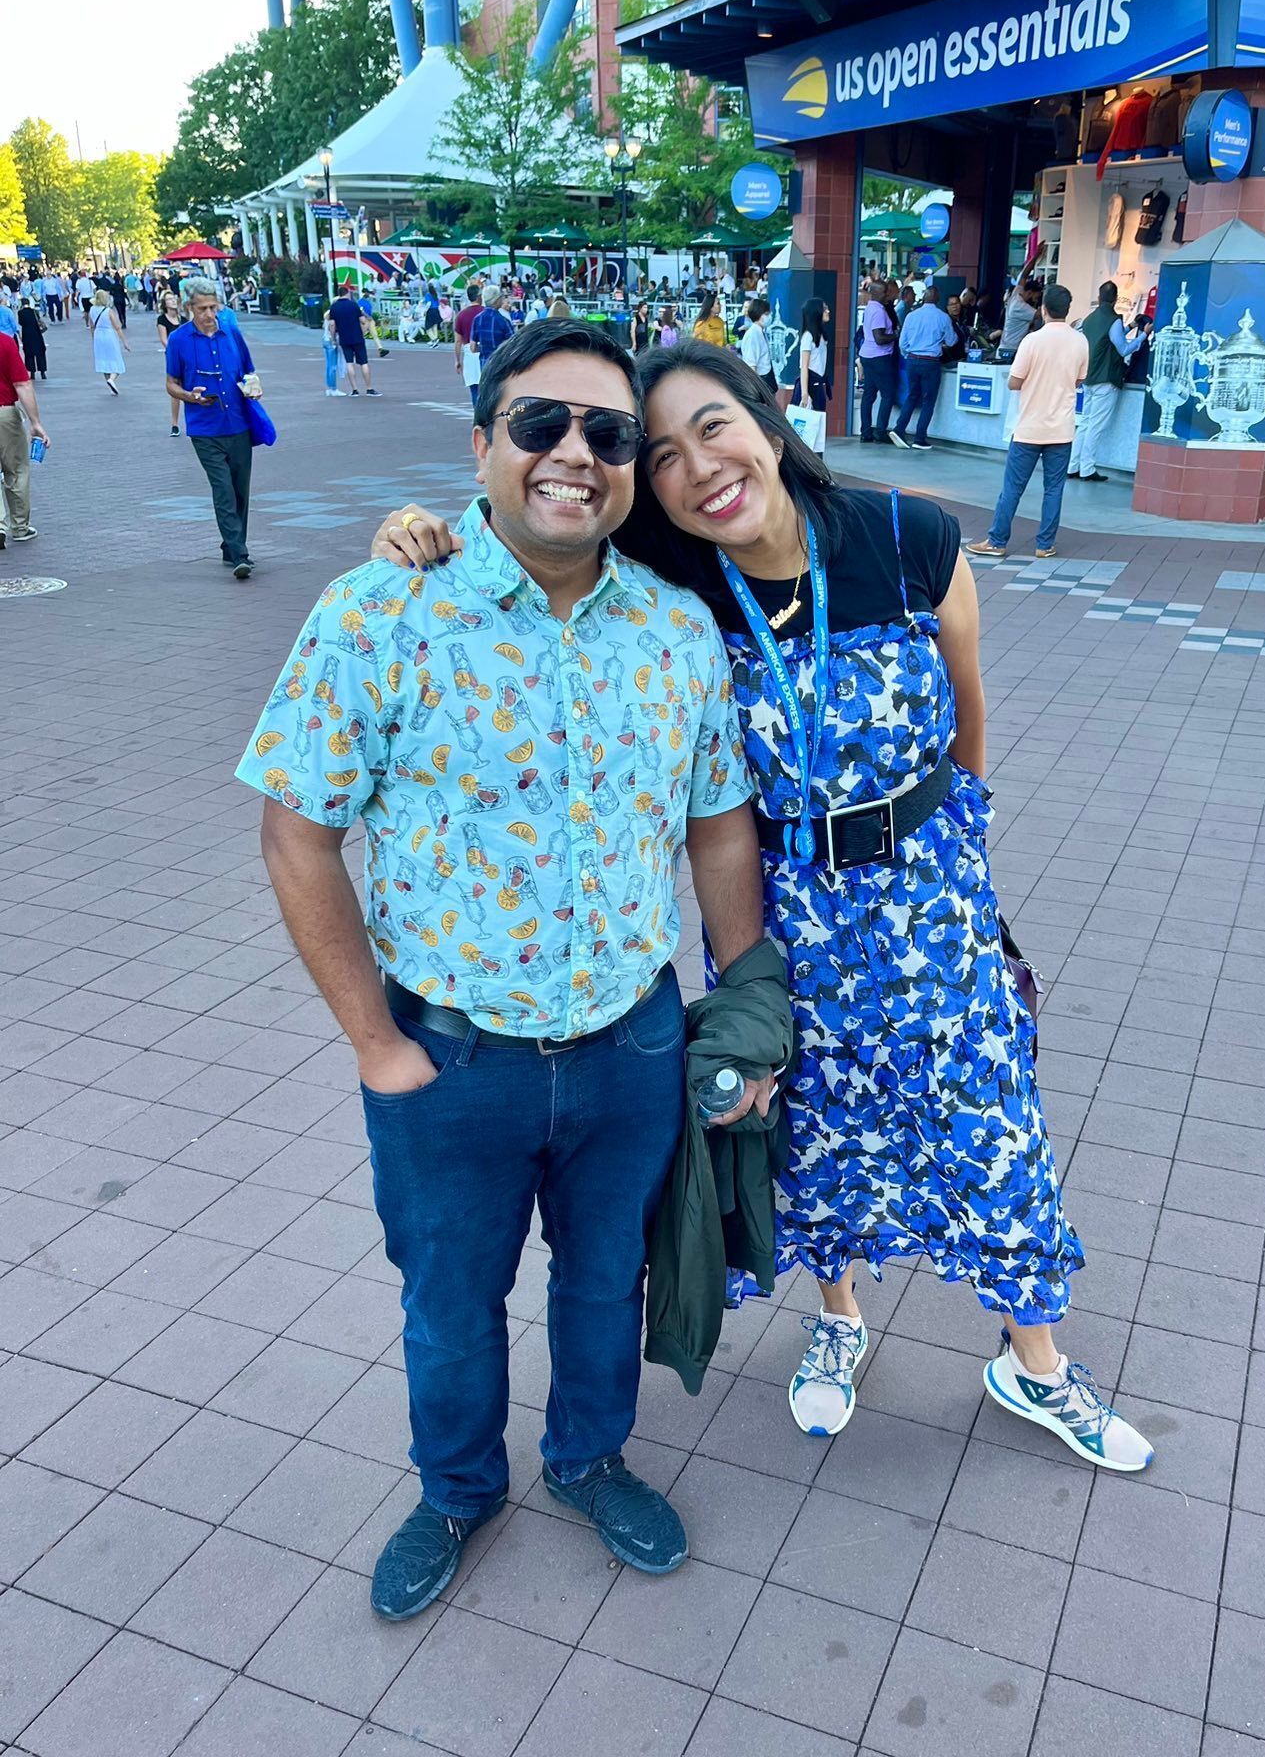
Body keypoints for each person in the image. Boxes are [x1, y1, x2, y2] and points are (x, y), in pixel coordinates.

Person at [377, 338, 1154, 1474]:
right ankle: (837, 1320)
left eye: (714, 428)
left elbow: (968, 722)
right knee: (809, 1132)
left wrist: (954, 861)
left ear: (769, 416)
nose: (698, 467)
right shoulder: (676, 573)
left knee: (992, 1133)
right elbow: (538, 512)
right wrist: (425, 528)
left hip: (932, 908)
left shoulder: (908, 537)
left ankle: (1034, 1362)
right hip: (786, 917)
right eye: (664, 454)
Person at [242, 316, 767, 1620]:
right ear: (483, 445)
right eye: (541, 423)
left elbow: (714, 829)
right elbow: (296, 833)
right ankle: (458, 1487)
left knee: (607, 1285)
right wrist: (377, 1044)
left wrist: (745, 1011)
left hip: (630, 1047)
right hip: (452, 1057)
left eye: (606, 435)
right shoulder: (380, 612)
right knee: (450, 1302)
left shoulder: (675, 632)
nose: (573, 454)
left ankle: (589, 1458)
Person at [968, 283, 1088, 563]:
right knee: (1054, 488)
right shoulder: (1080, 341)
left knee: (1012, 488)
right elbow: (1079, 380)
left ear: (1044, 309)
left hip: (1029, 429)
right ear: (1067, 310)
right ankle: (1045, 544)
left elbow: (1014, 382)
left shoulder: (1032, 341)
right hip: (1062, 428)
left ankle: (997, 541)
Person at [164, 276, 261, 580]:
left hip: (239, 423)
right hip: (205, 429)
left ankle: (230, 545)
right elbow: (171, 384)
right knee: (222, 490)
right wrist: (189, 396)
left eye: (213, 307)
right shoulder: (179, 340)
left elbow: (249, 371)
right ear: (189, 308)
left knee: (240, 490)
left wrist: (254, 388)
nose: (209, 314)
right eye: (202, 308)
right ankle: (240, 554)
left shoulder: (230, 332)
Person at [1070, 280, 1145, 482]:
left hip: (1089, 377)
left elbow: (1107, 339)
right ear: (1115, 299)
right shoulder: (1113, 320)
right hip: (1106, 379)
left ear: (1100, 297)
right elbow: (1123, 349)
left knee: (1085, 423)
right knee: (1095, 425)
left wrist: (1130, 326)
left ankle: (1072, 466)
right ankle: (1087, 468)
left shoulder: (1089, 319)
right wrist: (1143, 336)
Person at [0, 328, 49, 550]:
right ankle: (19, 526)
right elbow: (22, 384)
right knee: (16, 469)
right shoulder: (5, 343)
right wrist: (35, 422)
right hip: (4, 414)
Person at [890, 286, 953, 450]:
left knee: (911, 396)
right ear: (938, 299)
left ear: (923, 298)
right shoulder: (943, 317)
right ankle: (919, 438)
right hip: (931, 362)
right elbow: (952, 340)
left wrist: (908, 355)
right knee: (928, 401)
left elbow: (902, 342)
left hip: (912, 360)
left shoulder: (911, 316)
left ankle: (899, 429)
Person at [858, 280, 897, 443]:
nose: (887, 295)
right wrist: (896, 335)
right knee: (888, 395)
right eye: (884, 292)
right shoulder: (879, 311)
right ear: (876, 293)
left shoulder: (870, 308)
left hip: (867, 355)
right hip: (879, 357)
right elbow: (880, 338)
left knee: (868, 395)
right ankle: (880, 432)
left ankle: (865, 432)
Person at [327, 284, 380, 397]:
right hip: (357, 337)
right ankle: (369, 388)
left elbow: (332, 324)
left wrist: (333, 339)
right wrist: (363, 332)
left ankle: (355, 390)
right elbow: (363, 321)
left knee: (349, 363)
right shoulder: (354, 305)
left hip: (344, 338)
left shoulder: (334, 307)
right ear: (347, 293)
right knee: (363, 363)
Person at [998, 256, 1044, 361]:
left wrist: (1036, 255)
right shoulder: (1020, 307)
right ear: (1030, 293)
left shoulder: (1016, 294)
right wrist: (1047, 298)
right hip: (1011, 350)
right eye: (1037, 297)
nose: (1036, 301)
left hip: (1007, 347)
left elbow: (1024, 275)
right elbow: (1040, 314)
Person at [89, 287, 129, 394]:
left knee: (103, 360)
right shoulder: (108, 311)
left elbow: (91, 326)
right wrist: (124, 342)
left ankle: (109, 382)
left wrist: (94, 338)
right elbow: (118, 327)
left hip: (98, 335)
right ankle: (112, 379)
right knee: (116, 359)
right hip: (108, 334)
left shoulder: (92, 310)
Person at [156, 293, 185, 434]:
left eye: (174, 299)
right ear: (164, 304)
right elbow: (164, 340)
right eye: (169, 299)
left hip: (187, 357)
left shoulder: (183, 319)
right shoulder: (162, 319)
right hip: (173, 357)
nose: (173, 301)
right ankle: (174, 424)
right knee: (175, 388)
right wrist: (175, 353)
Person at [796, 296, 830, 411]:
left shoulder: (821, 336)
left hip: (819, 383)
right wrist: (804, 394)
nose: (828, 311)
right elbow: (804, 366)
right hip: (810, 384)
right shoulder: (808, 337)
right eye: (824, 309)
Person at [454, 283, 483, 407]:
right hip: (485, 349)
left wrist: (457, 360)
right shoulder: (485, 312)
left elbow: (457, 341)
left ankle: (478, 418)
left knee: (474, 388)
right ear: (479, 296)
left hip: (469, 351)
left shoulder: (461, 315)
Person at [738, 297, 775, 393]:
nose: (769, 316)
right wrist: (755, 390)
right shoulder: (753, 335)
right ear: (758, 314)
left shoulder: (761, 332)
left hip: (767, 378)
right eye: (766, 314)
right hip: (760, 381)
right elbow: (751, 365)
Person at [471, 291, 514, 369]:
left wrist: (484, 348)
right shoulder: (503, 320)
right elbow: (513, 345)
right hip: (500, 364)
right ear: (496, 300)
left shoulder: (477, 319)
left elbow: (473, 347)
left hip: (484, 364)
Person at [17, 301, 47, 380]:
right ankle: (42, 372)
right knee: (40, 353)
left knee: (29, 354)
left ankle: (32, 373)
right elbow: (39, 320)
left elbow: (21, 323)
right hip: (37, 334)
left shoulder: (20, 313)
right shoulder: (34, 311)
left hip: (27, 335)